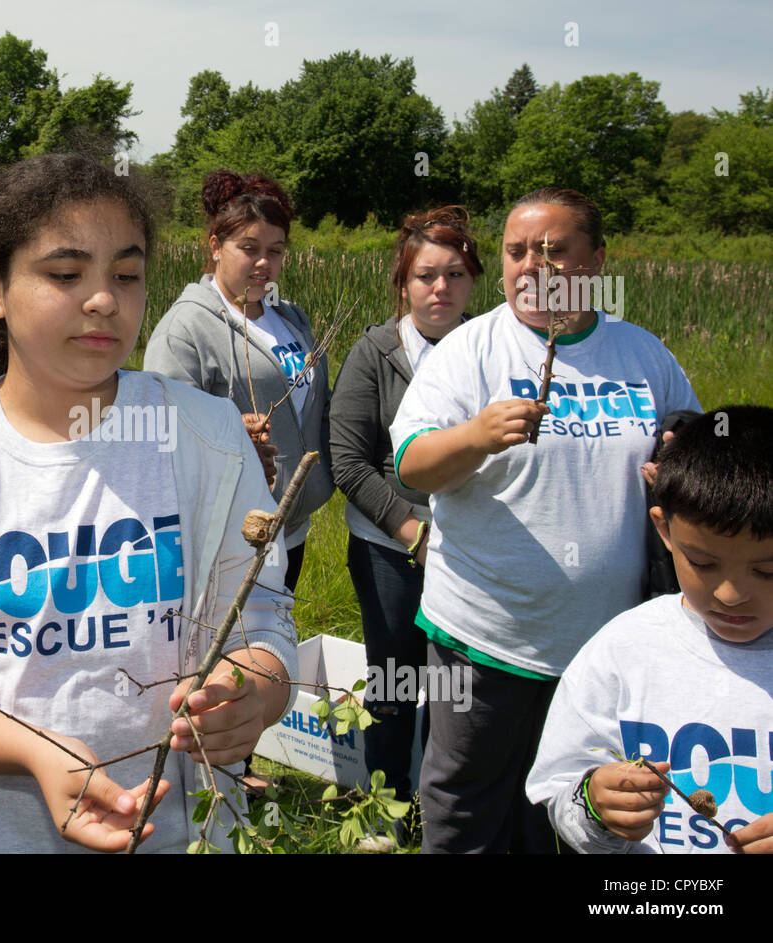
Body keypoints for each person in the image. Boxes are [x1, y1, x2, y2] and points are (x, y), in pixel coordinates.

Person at [0, 153, 297, 854]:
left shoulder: (209, 439)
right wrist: (33, 751)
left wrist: (254, 692)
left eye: (126, 273)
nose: (103, 300)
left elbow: (264, 617)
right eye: (65, 274)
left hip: (173, 829)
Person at [389, 187, 702, 853]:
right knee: (466, 803)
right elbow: (411, 465)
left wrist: (674, 467)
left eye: (554, 250)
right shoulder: (470, 350)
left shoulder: (643, 355)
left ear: (596, 261)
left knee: (563, 811)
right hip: (484, 636)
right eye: (516, 251)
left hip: (603, 643)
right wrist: (476, 435)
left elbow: (695, 450)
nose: (533, 264)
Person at [526, 405, 773, 854]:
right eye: (702, 563)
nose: (732, 594)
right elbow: (560, 793)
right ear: (665, 529)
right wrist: (595, 805)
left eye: (768, 571)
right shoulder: (626, 649)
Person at [329, 206, 482, 809]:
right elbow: (348, 461)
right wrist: (410, 527)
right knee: (395, 685)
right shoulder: (375, 354)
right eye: (425, 276)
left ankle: (449, 811)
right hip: (392, 550)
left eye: (455, 274)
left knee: (461, 689)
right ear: (403, 282)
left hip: (474, 550)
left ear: (473, 282)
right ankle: (383, 810)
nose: (440, 288)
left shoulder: (493, 351)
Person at [144, 170, 331, 592]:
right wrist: (226, 439)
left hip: (293, 527)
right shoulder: (184, 330)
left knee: (275, 636)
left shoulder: (290, 318)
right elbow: (162, 439)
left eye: (275, 250)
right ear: (215, 247)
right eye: (249, 248)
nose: (264, 262)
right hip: (230, 536)